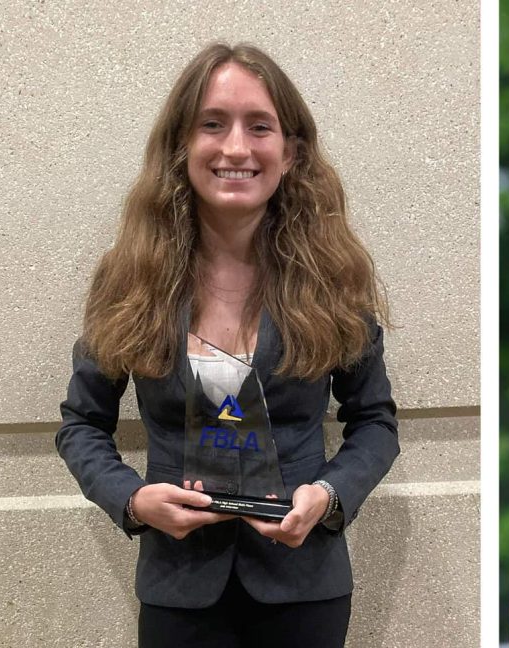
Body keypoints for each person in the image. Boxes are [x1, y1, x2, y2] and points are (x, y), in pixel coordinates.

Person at [56, 43, 398, 648]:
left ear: (291, 151)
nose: (236, 147)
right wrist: (133, 500)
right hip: (178, 587)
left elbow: (374, 421)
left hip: (305, 587)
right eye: (212, 124)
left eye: (259, 126)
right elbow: (81, 424)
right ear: (181, 145)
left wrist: (328, 495)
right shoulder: (128, 275)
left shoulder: (333, 274)